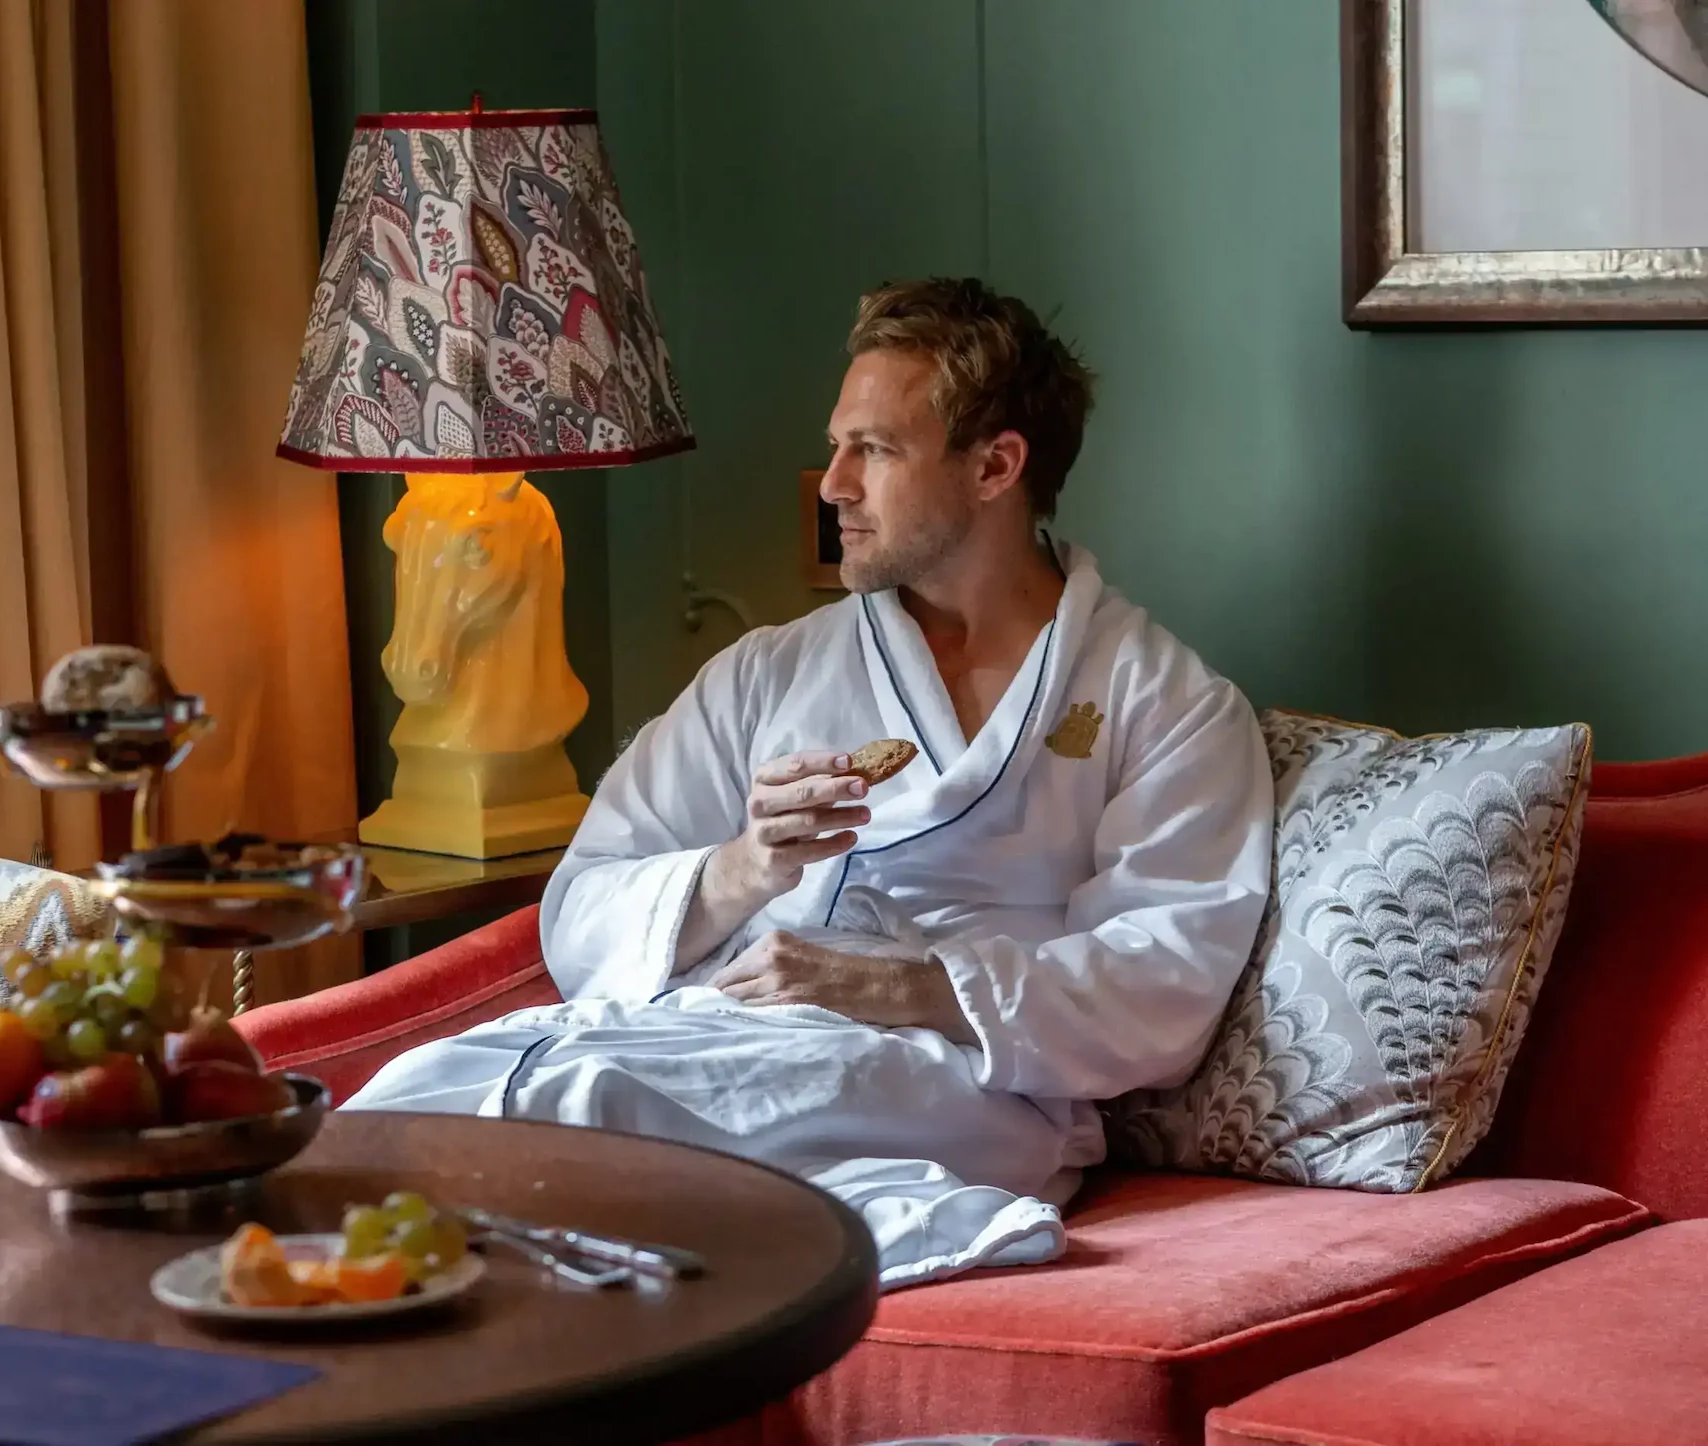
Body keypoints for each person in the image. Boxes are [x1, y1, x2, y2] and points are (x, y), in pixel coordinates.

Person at [342, 278, 1275, 1289]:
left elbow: (1168, 978)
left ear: (996, 465)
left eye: (872, 450)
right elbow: (580, 909)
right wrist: (745, 869)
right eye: (839, 445)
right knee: (403, 1099)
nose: (831, 482)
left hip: (971, 1078)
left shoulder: (1162, 699)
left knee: (594, 1103)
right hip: (735, 1027)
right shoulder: (771, 672)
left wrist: (902, 987)